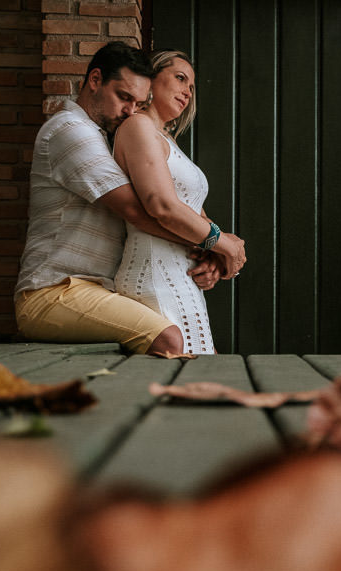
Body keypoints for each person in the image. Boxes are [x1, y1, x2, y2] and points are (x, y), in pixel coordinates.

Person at [14, 42, 246, 355]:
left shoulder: (103, 135)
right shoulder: (70, 130)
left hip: (99, 289)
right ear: (95, 80)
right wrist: (215, 243)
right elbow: (139, 212)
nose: (130, 111)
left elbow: (173, 204)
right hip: (54, 292)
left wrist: (209, 248)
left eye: (138, 102)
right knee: (169, 339)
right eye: (124, 97)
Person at [112, 50, 219, 354]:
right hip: (154, 276)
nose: (187, 91)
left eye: (192, 87)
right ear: (151, 79)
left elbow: (194, 212)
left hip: (181, 277)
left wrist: (212, 258)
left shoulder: (166, 140)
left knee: (195, 379)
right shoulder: (138, 127)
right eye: (180, 78)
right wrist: (223, 245)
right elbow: (161, 205)